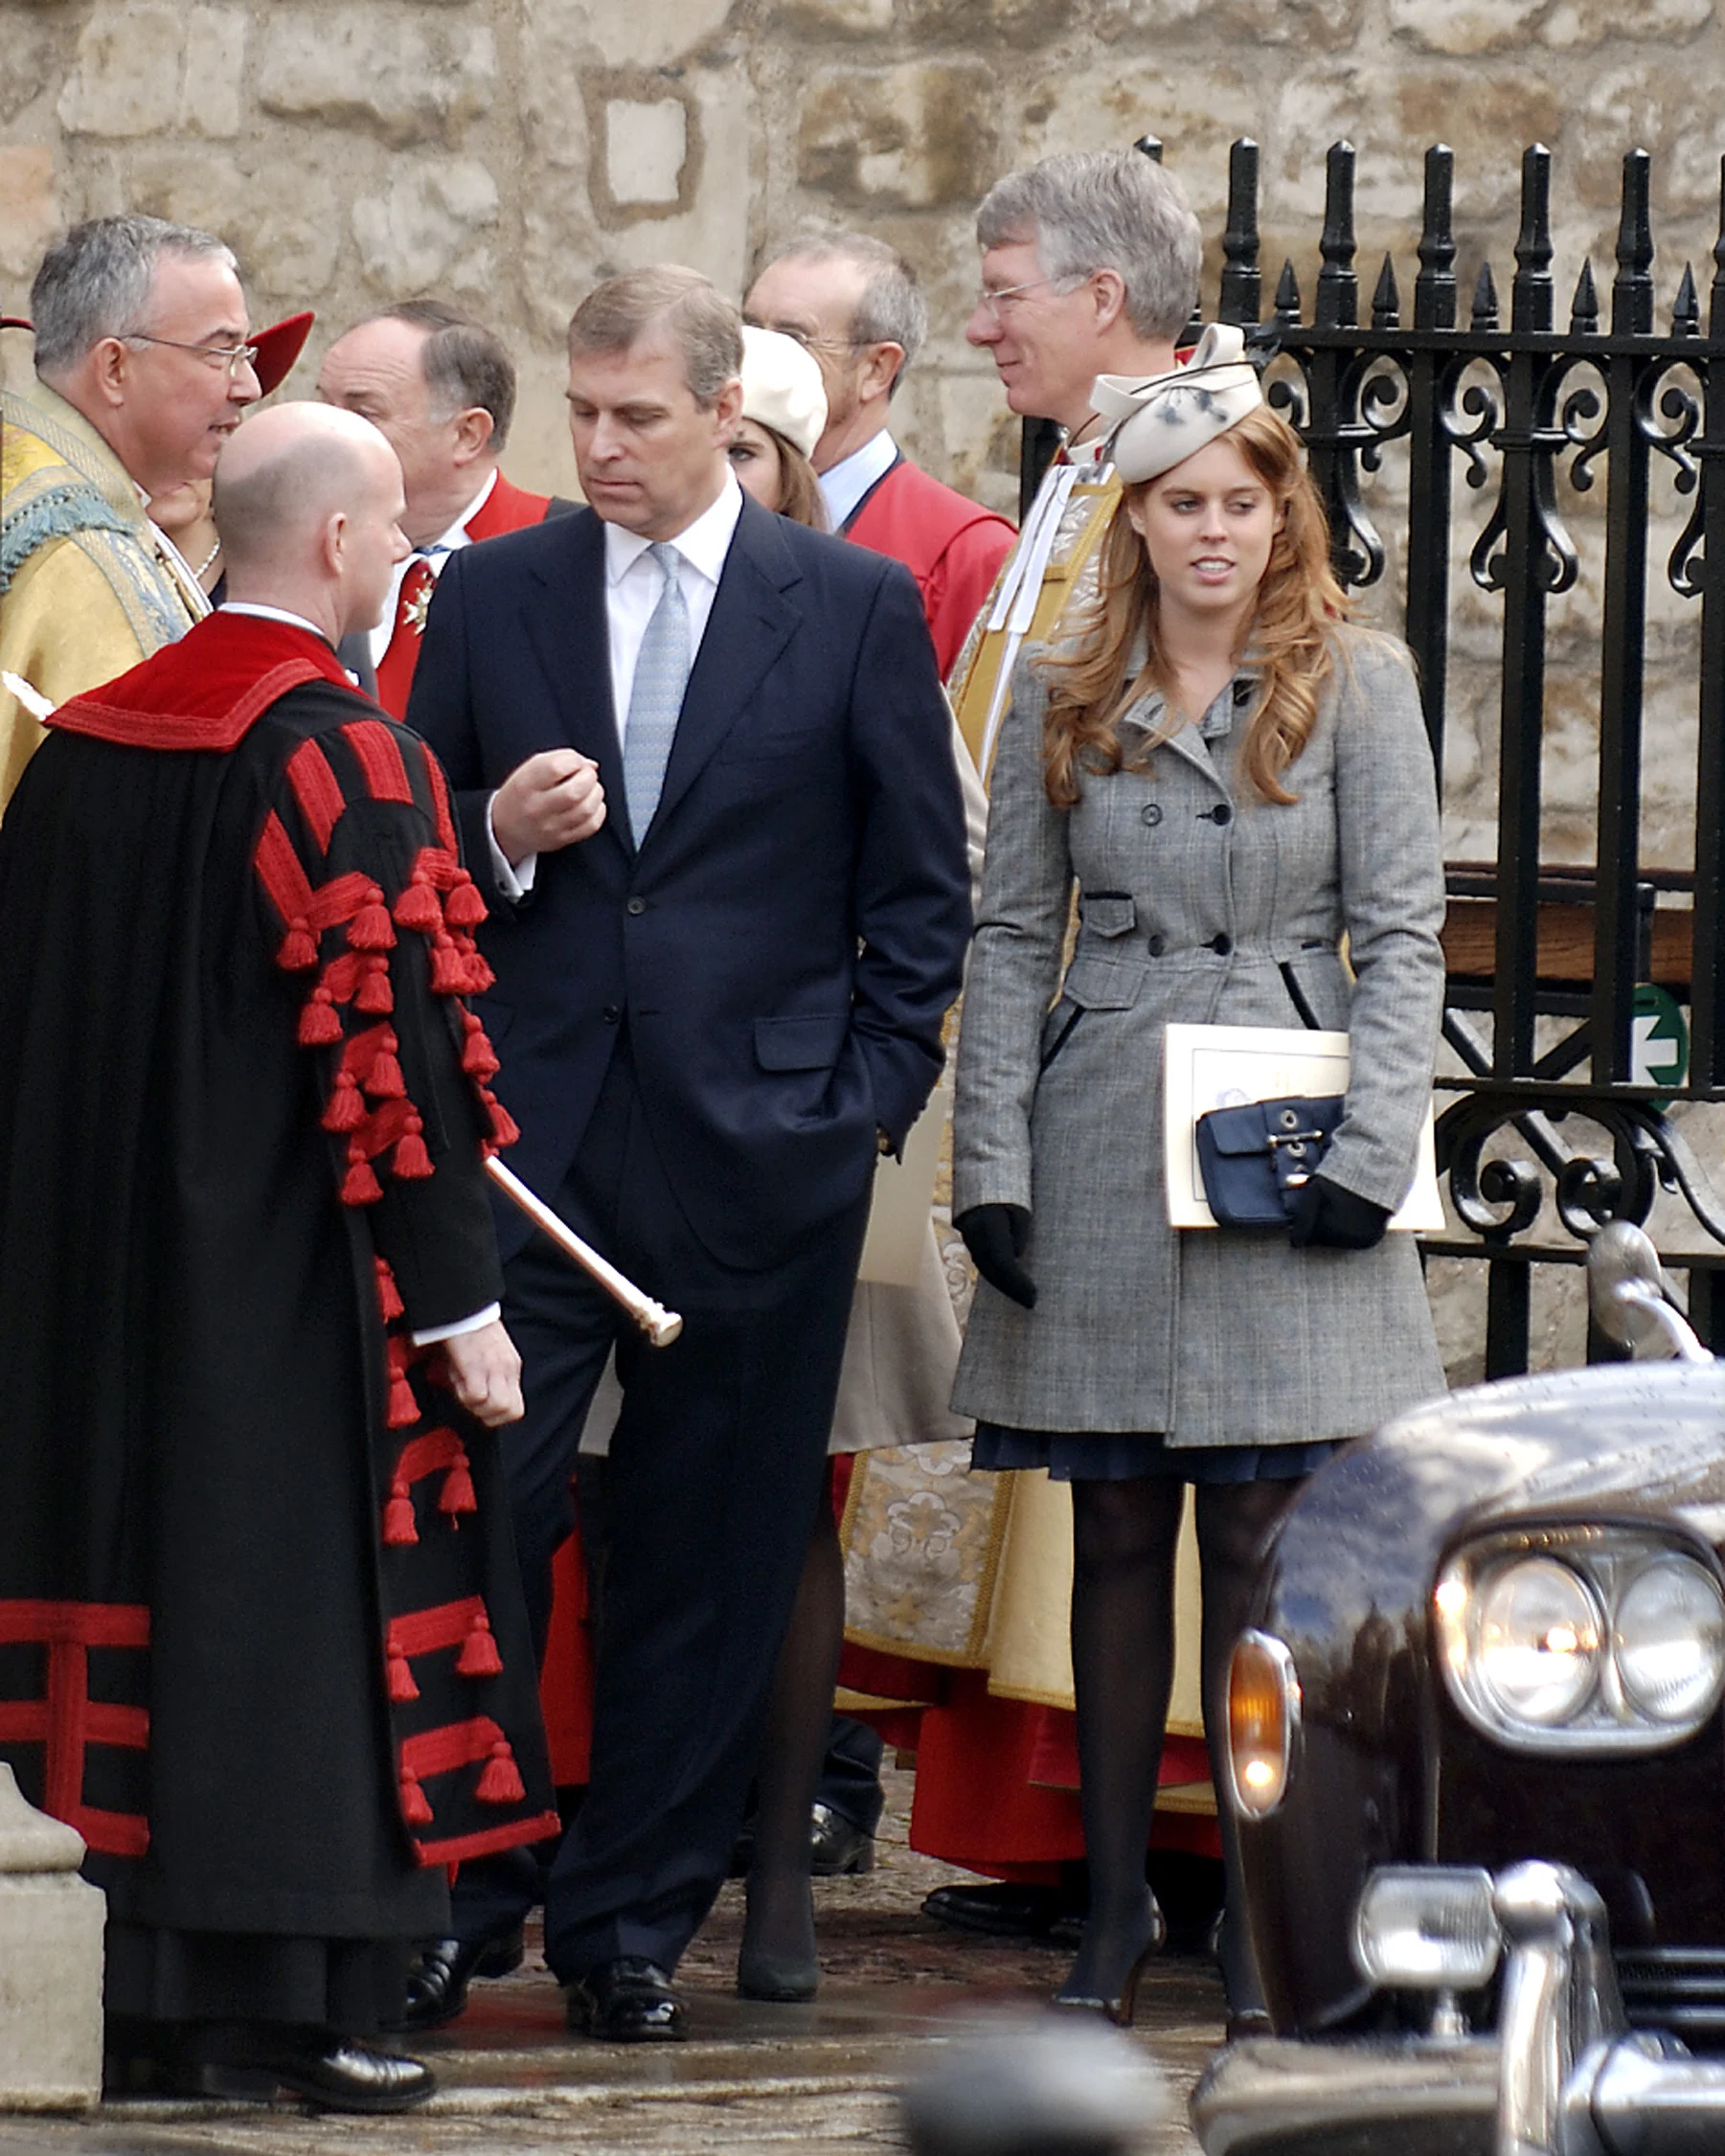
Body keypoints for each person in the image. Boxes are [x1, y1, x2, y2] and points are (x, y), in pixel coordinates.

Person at [403, 265, 970, 2042]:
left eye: (636, 414)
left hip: (761, 1154)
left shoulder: (855, 604)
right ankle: (466, 1894)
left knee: (708, 1549)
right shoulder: (497, 592)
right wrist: (499, 834)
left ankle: (631, 1922)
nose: (602, 446)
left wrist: (855, 1108)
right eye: (583, 412)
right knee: (479, 1515)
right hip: (534, 1145)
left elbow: (922, 899)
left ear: (727, 411)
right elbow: (414, 871)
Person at [0, 400, 558, 2110]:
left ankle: (125, 1990)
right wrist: (461, 1304)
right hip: (287, 1300)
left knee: (114, 1613)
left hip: (81, 1291)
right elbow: (404, 1057)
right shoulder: (343, 757)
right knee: (282, 1627)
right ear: (335, 544)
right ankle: (291, 2000)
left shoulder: (84, 744)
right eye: (393, 532)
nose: (404, 563)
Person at [949, 328, 1446, 2027]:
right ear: (1137, 523)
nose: (1212, 531)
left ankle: (1259, 1912)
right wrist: (990, 1163)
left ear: (1279, 514)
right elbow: (1011, 930)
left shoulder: (1354, 680)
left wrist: (1375, 1153)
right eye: (1179, 504)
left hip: (1283, 1130)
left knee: (1256, 1539)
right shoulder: (1069, 686)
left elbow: (1402, 933)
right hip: (1099, 1132)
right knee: (1106, 1530)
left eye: (1239, 500)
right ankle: (1105, 1920)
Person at [0, 215, 268, 808]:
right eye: (221, 352)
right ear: (115, 367)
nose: (248, 385)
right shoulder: (78, 556)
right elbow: (132, 826)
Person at [746, 229, 1013, 676]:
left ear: (876, 369)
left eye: (793, 338)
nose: (756, 355)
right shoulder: (705, 511)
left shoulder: (964, 556)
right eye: (750, 329)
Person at [316, 300, 566, 715]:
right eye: (324, 405)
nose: (326, 431)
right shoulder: (301, 547)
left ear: (468, 435)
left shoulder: (563, 555)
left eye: (364, 412)